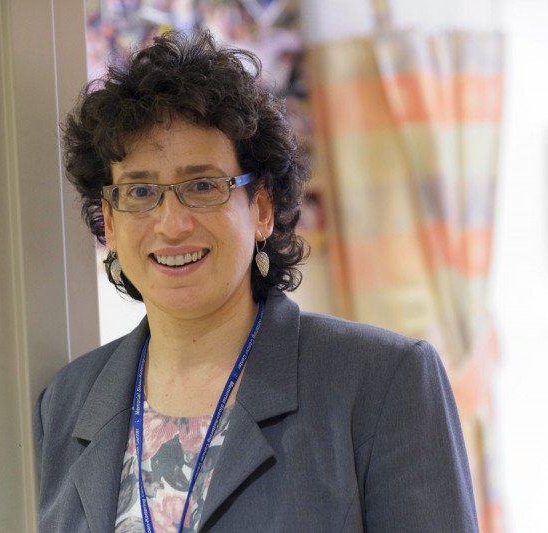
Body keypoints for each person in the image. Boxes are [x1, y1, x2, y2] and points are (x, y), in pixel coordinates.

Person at [34, 30, 478, 532]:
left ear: (262, 209)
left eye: (203, 185)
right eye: (140, 192)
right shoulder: (67, 403)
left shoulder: (381, 381)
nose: (171, 224)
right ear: (111, 222)